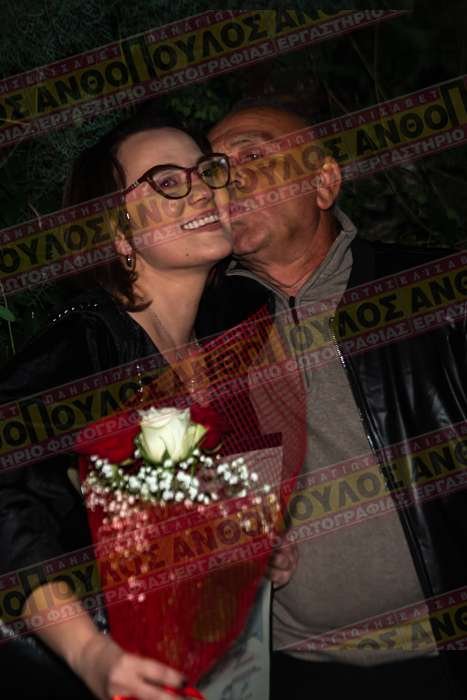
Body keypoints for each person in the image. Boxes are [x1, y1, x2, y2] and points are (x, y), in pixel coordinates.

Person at [196, 101, 467, 699]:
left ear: (323, 183)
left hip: (442, 661)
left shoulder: (436, 295)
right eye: (214, 167)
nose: (227, 178)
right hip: (287, 669)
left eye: (252, 154)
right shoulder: (203, 331)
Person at [0, 107, 235, 700]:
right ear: (119, 235)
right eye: (166, 181)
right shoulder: (89, 341)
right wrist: (88, 650)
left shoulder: (218, 345)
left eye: (206, 170)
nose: (200, 189)